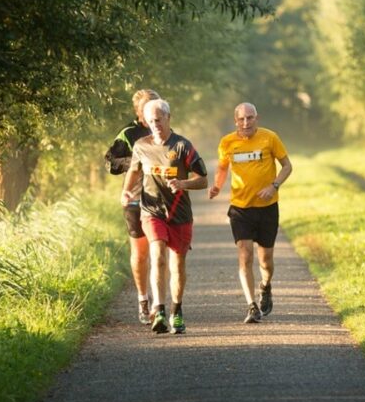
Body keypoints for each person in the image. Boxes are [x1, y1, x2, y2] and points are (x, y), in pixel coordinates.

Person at [121, 99, 208, 334]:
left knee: (177, 265)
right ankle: (159, 310)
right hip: (152, 211)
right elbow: (134, 170)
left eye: (159, 120)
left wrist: (183, 183)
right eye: (150, 121)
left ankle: (176, 310)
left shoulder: (183, 146)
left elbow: (203, 179)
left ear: (169, 118)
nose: (155, 125)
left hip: (179, 214)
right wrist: (126, 191)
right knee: (157, 253)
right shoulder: (141, 145)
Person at [209, 102, 293, 323]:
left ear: (257, 118)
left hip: (267, 208)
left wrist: (274, 186)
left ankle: (265, 287)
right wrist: (217, 186)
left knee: (266, 261)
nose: (246, 122)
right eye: (242, 119)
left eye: (250, 118)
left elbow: (287, 166)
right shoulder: (227, 142)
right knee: (245, 256)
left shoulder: (269, 138)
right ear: (235, 120)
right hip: (240, 208)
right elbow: (222, 168)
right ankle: (251, 305)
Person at [105, 89, 161, 324]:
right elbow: (112, 163)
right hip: (136, 199)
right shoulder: (128, 133)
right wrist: (137, 163)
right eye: (146, 107)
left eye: (155, 106)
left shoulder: (163, 128)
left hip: (160, 199)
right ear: (138, 111)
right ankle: (142, 299)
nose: (151, 111)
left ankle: (160, 304)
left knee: (159, 252)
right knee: (140, 254)